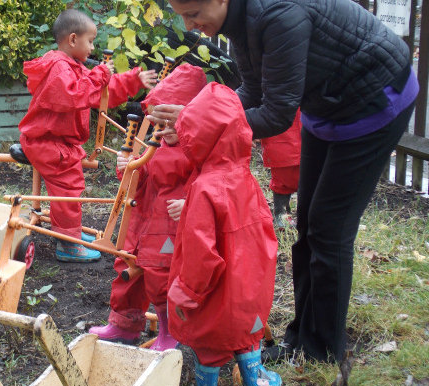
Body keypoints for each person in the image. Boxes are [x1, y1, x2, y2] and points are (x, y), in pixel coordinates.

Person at [149, 0, 419, 364]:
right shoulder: (240, 20)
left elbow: (276, 114)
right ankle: (301, 338)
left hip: (372, 100)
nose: (189, 25)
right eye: (181, 15)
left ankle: (321, 350)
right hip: (325, 103)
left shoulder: (277, 16)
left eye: (193, 14)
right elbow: (254, 93)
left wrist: (195, 122)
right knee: (309, 223)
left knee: (329, 229)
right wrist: (194, 117)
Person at [167, 82, 281, 386]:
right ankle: (256, 384)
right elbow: (265, 239)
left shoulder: (204, 189)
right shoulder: (247, 180)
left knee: (209, 343)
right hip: (249, 289)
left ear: (200, 137)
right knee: (247, 334)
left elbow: (201, 254)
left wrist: (186, 292)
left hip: (216, 294)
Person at [18, 9, 157, 262]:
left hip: (57, 141)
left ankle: (71, 232)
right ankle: (68, 244)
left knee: (72, 183)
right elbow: (73, 96)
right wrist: (101, 74)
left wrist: (133, 79)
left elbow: (100, 94)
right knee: (68, 186)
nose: (93, 47)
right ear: (73, 40)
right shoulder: (58, 67)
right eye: (90, 41)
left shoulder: (74, 67)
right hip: (45, 142)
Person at [89, 64, 206, 350]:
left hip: (170, 227)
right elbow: (141, 177)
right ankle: (123, 325)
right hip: (142, 221)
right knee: (126, 267)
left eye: (170, 123)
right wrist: (127, 168)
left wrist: (191, 202)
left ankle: (169, 331)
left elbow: (212, 185)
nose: (162, 131)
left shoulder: (200, 150)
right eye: (158, 124)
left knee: (161, 279)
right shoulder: (158, 144)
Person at [260, 109, 301, 229]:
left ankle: (286, 215)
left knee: (310, 180)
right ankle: (282, 214)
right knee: (283, 179)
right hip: (281, 134)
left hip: (302, 129)